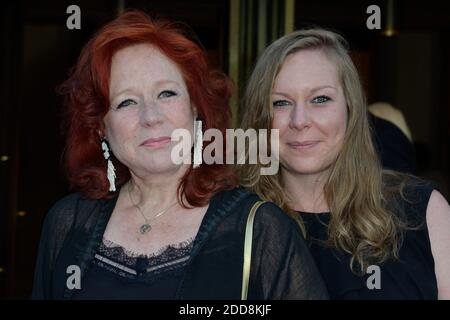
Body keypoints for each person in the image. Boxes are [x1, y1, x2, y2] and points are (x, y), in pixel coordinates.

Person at [31, 10, 328, 300]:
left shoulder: (261, 229)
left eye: (166, 94)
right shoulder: (67, 224)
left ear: (195, 107)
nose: (151, 117)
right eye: (126, 102)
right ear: (100, 128)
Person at [238, 28, 450, 299]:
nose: (300, 120)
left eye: (320, 99)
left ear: (351, 108)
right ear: (259, 118)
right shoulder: (233, 223)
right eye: (280, 103)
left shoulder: (423, 211)